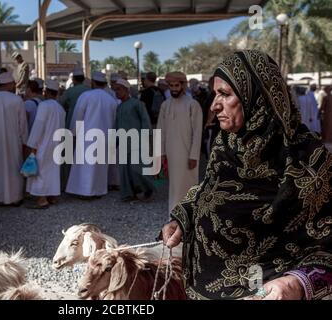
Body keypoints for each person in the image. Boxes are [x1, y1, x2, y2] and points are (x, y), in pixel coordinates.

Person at [162, 50, 332, 300]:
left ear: (258, 98)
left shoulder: (308, 159)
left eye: (225, 94)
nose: (214, 105)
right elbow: (209, 189)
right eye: (215, 93)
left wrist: (297, 283)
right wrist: (185, 217)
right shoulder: (226, 145)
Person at [66, 71, 117, 198]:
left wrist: (73, 133)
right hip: (104, 136)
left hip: (87, 136)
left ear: (93, 83)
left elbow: (78, 116)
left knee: (85, 165)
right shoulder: (111, 99)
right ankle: (97, 190)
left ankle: (83, 191)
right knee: (99, 166)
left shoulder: (86, 96)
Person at [157, 71, 203, 213]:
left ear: (183, 86)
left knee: (188, 187)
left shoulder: (192, 105)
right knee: (174, 187)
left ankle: (189, 216)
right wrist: (161, 154)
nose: (174, 89)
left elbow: (197, 132)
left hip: (187, 155)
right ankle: (174, 216)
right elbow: (160, 131)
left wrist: (194, 155)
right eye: (171, 86)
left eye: (176, 85)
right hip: (171, 155)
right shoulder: (165, 105)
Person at [0, 72, 29, 206]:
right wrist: (25, 142)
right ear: (9, 84)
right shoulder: (17, 100)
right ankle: (15, 198)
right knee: (14, 167)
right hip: (14, 140)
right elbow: (23, 124)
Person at [26, 80, 66, 209]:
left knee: (41, 171)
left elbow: (38, 126)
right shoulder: (60, 108)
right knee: (53, 170)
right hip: (57, 143)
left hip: (44, 143)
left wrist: (32, 145)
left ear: (45, 92)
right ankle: (52, 196)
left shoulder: (44, 106)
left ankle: (42, 199)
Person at [114, 79, 155, 202]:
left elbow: (145, 121)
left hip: (136, 140)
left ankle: (149, 189)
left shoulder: (137, 104)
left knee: (137, 169)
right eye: (115, 90)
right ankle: (129, 193)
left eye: (119, 89)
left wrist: (146, 137)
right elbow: (117, 124)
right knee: (125, 170)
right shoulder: (120, 106)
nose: (116, 92)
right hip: (123, 141)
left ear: (126, 90)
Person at [58, 67, 91, 190]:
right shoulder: (89, 90)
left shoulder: (70, 91)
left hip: (71, 123)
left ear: (73, 79)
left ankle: (67, 182)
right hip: (87, 125)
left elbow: (61, 103)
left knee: (68, 155)